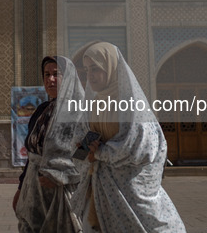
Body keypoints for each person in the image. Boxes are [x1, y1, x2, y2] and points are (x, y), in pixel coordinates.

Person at [71, 42, 186, 233]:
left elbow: (143, 146)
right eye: (86, 70)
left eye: (96, 69)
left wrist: (101, 152)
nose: (90, 75)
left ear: (111, 67)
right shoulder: (93, 103)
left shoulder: (130, 104)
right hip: (100, 187)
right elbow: (84, 135)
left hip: (129, 190)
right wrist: (83, 150)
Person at [13, 56, 84, 233]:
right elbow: (32, 155)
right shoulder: (41, 111)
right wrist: (22, 188)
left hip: (64, 193)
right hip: (34, 192)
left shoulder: (80, 111)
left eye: (55, 74)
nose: (50, 80)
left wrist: (61, 176)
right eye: (46, 75)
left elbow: (84, 153)